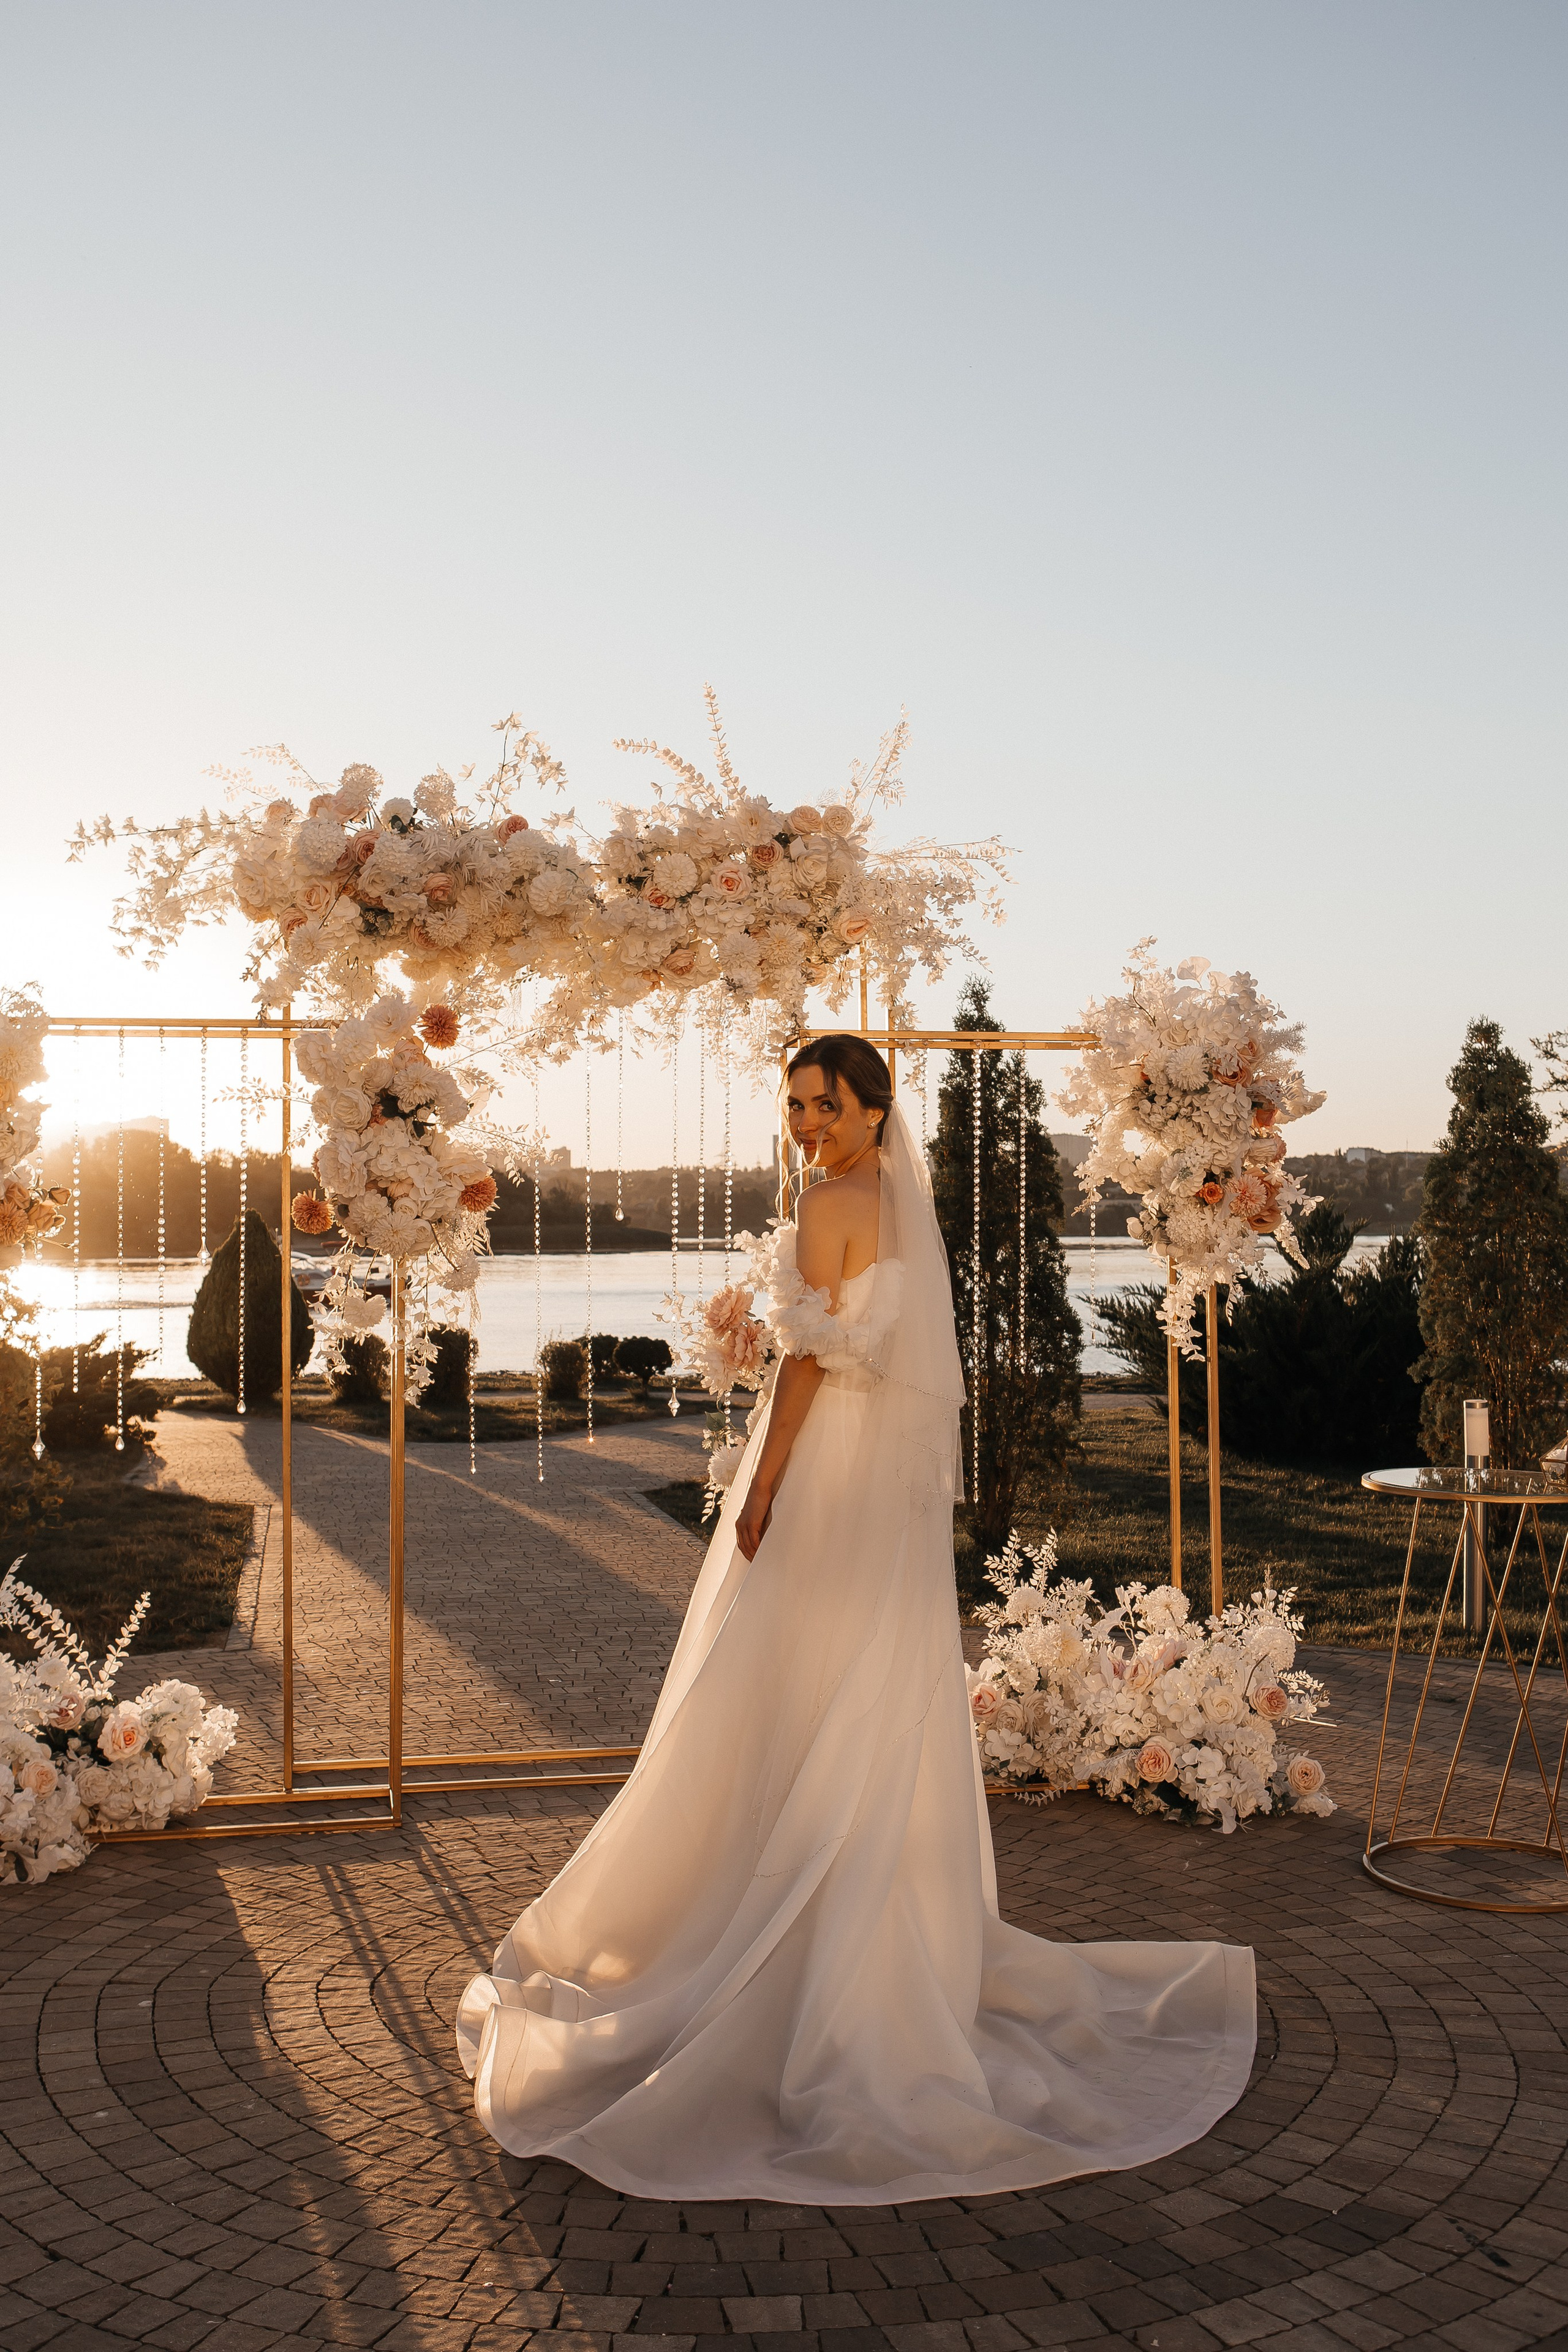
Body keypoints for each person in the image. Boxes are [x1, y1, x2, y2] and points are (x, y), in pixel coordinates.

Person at [457, 1035, 1255, 2203]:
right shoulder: (896, 1204)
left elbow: (807, 1365)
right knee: (863, 1680)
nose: (807, 1126)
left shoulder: (831, 1200)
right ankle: (866, 1929)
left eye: (824, 1105)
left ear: (877, 1109)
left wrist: (764, 1484)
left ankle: (779, 1920)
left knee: (781, 1673)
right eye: (794, 1106)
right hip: (889, 1490)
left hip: (830, 1468)